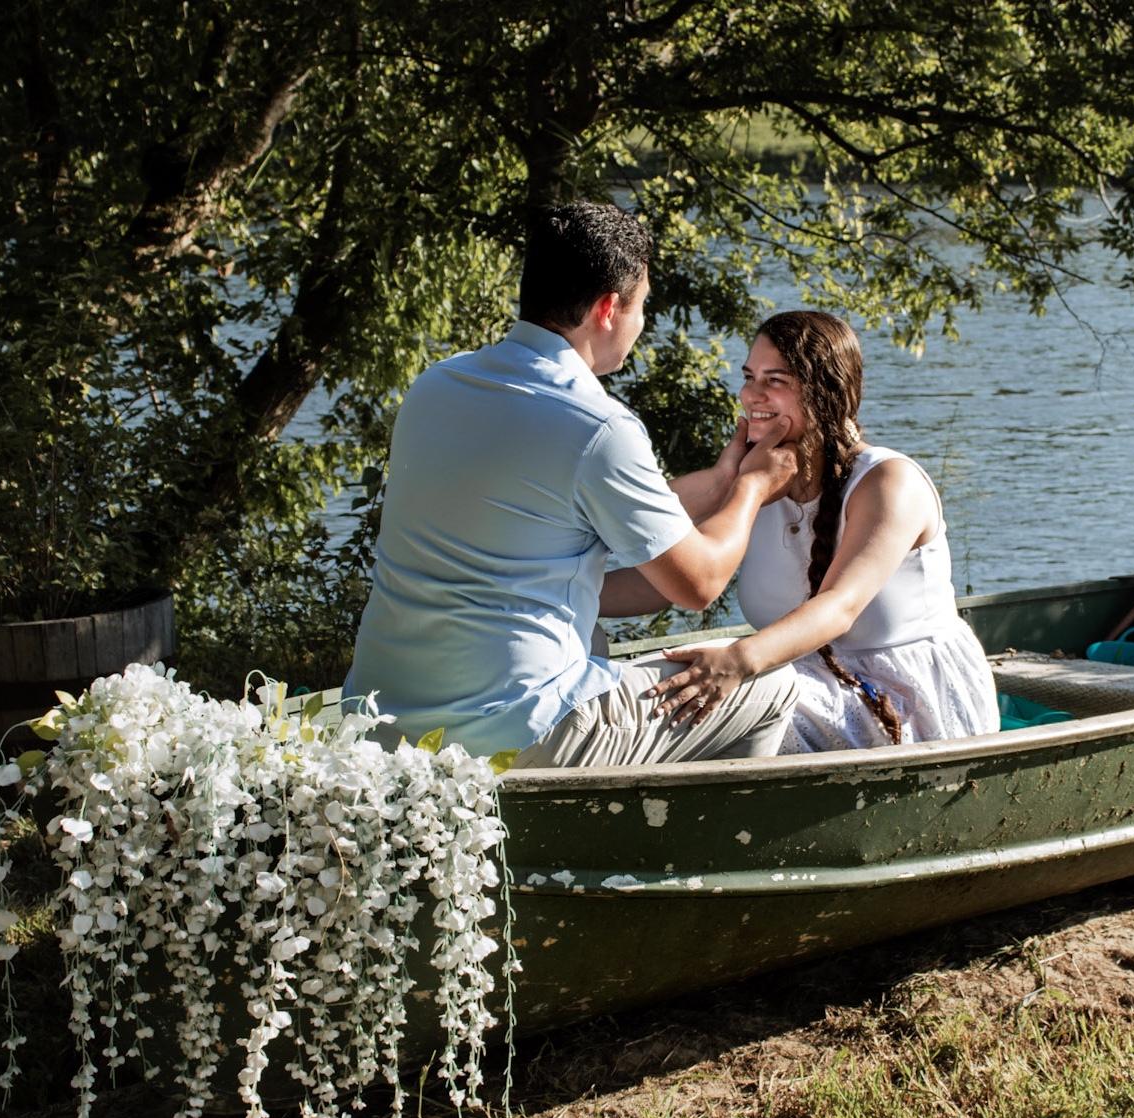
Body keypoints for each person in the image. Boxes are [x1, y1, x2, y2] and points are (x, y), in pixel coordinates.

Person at [341, 202, 801, 767]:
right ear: (608, 309)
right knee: (771, 683)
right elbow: (700, 582)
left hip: (381, 721)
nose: (642, 323)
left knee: (593, 641)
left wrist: (724, 479)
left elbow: (577, 507)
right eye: (642, 305)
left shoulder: (436, 385)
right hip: (512, 734)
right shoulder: (596, 425)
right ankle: (705, 823)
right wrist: (753, 488)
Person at [645, 311, 1000, 752]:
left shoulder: (889, 482)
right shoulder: (757, 480)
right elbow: (643, 537)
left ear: (825, 393)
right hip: (801, 677)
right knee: (663, 685)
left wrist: (738, 660)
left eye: (775, 380)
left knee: (718, 708)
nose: (751, 394)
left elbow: (840, 606)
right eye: (749, 377)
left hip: (906, 701)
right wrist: (725, 482)